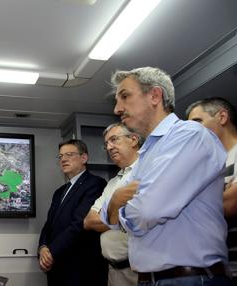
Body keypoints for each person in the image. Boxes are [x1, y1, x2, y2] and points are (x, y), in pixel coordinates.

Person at [100, 67, 230, 286]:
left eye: (125, 96)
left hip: (191, 278)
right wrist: (115, 203)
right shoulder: (145, 153)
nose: (117, 109)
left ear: (155, 95)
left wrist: (118, 209)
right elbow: (107, 216)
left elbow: (146, 210)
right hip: (151, 279)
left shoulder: (190, 135)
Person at [38, 139, 107, 286]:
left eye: (69, 154)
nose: (63, 159)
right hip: (56, 266)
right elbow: (48, 225)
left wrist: (51, 251)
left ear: (84, 158)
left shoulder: (95, 184)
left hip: (80, 268)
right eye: (61, 156)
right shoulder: (59, 192)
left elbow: (78, 224)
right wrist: (43, 247)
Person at [83, 123, 142, 286]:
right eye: (106, 144)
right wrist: (119, 214)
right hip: (113, 272)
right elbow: (89, 221)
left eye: (114, 140)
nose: (109, 147)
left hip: (139, 272)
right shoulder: (112, 183)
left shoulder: (147, 173)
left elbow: (141, 216)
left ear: (133, 140)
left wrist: (111, 213)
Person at [186, 97, 237, 283]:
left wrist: (195, 201)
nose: (191, 130)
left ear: (222, 117)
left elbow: (230, 204)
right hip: (218, 270)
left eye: (197, 122)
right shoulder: (207, 166)